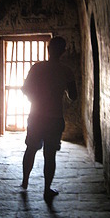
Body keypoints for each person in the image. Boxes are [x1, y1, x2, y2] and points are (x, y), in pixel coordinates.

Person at [20, 36, 77, 201]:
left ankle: (25, 181)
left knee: (30, 148)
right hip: (54, 118)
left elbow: (25, 89)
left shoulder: (37, 68)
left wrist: (36, 100)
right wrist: (63, 90)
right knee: (50, 154)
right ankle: (46, 189)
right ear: (63, 52)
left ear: (48, 49)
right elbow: (73, 96)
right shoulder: (66, 71)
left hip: (36, 115)